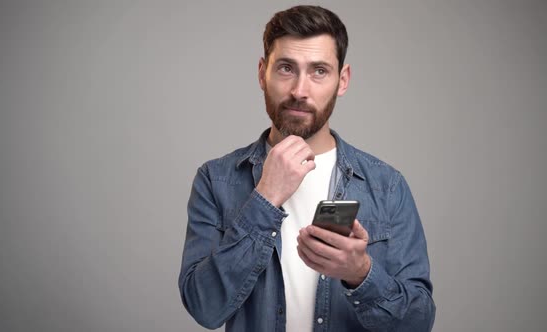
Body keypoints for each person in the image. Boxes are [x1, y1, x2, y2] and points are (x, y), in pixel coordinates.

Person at [178, 5, 435, 332]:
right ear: (262, 73)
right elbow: (204, 308)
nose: (300, 90)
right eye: (286, 68)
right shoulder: (216, 180)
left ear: (342, 80)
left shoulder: (387, 187)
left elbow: (419, 322)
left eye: (319, 71)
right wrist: (266, 197)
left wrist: (361, 274)